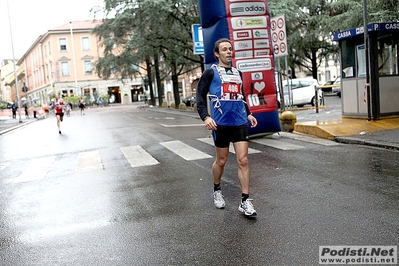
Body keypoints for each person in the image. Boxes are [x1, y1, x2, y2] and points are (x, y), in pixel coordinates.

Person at [196, 38, 258, 217]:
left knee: (243, 160)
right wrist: (206, 117)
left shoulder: (238, 73)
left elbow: (241, 96)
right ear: (217, 53)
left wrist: (248, 113)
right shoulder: (210, 73)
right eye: (224, 49)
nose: (229, 52)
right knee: (221, 161)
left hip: (239, 121)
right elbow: (199, 97)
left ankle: (245, 200)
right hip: (220, 123)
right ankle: (217, 189)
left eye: (230, 49)